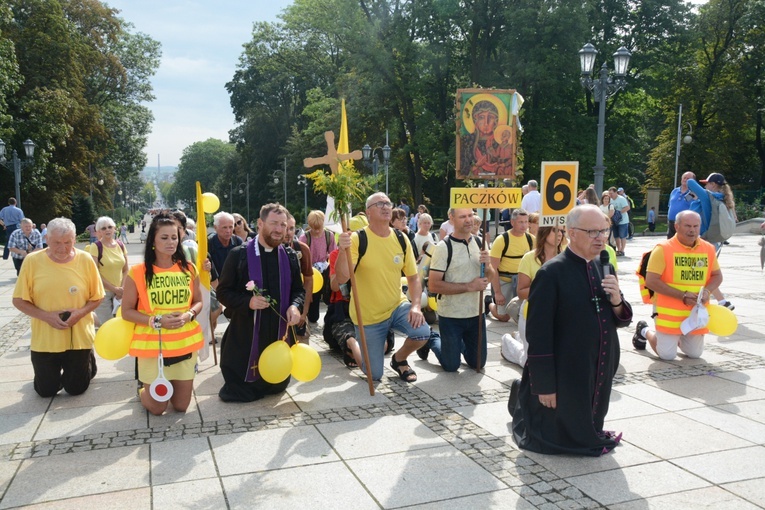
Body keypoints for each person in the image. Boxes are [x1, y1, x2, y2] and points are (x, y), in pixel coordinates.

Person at [510, 204, 633, 456]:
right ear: (571, 232)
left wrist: (617, 301)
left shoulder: (603, 266)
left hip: (597, 361)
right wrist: (544, 384)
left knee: (590, 413)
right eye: (593, 232)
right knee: (557, 429)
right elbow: (538, 333)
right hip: (564, 365)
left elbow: (620, 317)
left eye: (604, 231)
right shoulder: (551, 273)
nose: (601, 238)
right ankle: (523, 399)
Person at [334, 192, 430, 382]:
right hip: (368, 316)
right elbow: (342, 277)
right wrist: (343, 251)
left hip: (396, 306)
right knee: (375, 375)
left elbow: (413, 278)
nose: (386, 206)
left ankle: (399, 359)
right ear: (368, 212)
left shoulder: (401, 239)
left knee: (422, 333)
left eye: (388, 203)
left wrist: (416, 305)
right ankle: (353, 345)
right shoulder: (356, 239)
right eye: (380, 204)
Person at [216, 203, 305, 402]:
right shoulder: (239, 255)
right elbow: (222, 292)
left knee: (276, 386)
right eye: (274, 223)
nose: (279, 229)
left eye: (283, 225)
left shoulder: (289, 256)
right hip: (246, 335)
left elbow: (298, 290)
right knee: (243, 390)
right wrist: (248, 302)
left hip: (278, 335)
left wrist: (295, 306)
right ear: (260, 223)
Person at [121, 212, 204, 415]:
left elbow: (198, 301)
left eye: (174, 237)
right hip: (153, 347)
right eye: (164, 238)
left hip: (184, 345)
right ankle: (143, 389)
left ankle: (165, 388)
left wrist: (189, 315)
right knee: (158, 408)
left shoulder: (189, 269)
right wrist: (156, 320)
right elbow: (126, 311)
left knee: (181, 406)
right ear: (153, 241)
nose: (170, 242)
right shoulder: (138, 272)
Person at [12, 217, 104, 397]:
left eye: (67, 242)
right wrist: (47, 316)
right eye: (56, 243)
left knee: (76, 389)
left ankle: (88, 361)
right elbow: (18, 300)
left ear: (75, 239)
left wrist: (80, 313)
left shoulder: (85, 260)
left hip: (77, 336)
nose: (62, 248)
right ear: (47, 239)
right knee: (46, 391)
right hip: (45, 338)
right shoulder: (32, 261)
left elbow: (97, 297)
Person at [632, 210, 722, 360]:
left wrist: (707, 291)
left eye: (695, 226)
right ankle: (644, 330)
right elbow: (651, 281)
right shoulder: (663, 249)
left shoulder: (708, 249)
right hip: (669, 312)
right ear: (677, 226)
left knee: (694, 354)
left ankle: (676, 338)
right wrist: (682, 295)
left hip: (695, 312)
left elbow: (717, 276)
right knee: (667, 355)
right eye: (687, 226)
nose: (692, 230)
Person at [420, 208, 493, 371]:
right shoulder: (443, 247)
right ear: (452, 219)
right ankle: (431, 338)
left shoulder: (481, 243)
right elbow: (434, 285)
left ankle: (455, 343)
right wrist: (469, 286)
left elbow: (491, 277)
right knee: (451, 366)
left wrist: (488, 265)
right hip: (452, 315)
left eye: (470, 216)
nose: (469, 220)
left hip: (476, 313)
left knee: (478, 363)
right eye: (462, 217)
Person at [501, 225, 565, 366]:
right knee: (529, 363)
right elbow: (521, 292)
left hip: (560, 314)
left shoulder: (567, 256)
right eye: (555, 230)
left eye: (562, 230)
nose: (559, 234)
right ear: (544, 232)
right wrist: (546, 290)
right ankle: (508, 342)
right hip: (533, 312)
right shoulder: (529, 258)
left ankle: (520, 337)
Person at [687, 173, 736, 309]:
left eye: (707, 183)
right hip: (716, 241)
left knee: (700, 273)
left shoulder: (708, 197)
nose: (705, 186)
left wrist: (699, 191)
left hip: (705, 242)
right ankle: (723, 302)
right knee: (703, 272)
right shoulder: (723, 199)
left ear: (713, 184)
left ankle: (717, 302)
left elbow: (690, 182)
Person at [487, 208, 535, 322]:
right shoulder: (502, 240)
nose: (524, 225)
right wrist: (498, 293)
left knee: (525, 314)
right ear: (512, 223)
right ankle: (489, 303)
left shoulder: (531, 239)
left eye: (526, 222)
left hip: (522, 281)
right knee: (503, 317)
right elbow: (493, 268)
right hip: (505, 280)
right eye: (520, 222)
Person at [87, 217, 128, 327]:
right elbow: (95, 273)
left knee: (121, 324)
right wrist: (114, 288)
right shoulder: (96, 247)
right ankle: (90, 317)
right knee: (107, 325)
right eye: (103, 228)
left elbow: (126, 269)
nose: (107, 230)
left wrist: (122, 289)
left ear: (114, 229)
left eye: (110, 227)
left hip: (120, 293)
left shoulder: (121, 245)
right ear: (99, 231)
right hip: (103, 293)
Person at [207, 212, 243, 334]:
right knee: (214, 313)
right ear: (216, 227)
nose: (228, 230)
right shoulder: (208, 244)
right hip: (214, 284)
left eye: (231, 226)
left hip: (234, 286)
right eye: (224, 227)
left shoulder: (238, 241)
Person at [299, 210, 336, 323]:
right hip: (311, 271)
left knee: (329, 296)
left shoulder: (329, 235)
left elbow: (333, 253)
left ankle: (331, 318)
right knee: (313, 312)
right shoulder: (305, 237)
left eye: (318, 227)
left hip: (325, 270)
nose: (316, 230)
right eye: (314, 228)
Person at [286, 213, 313, 340]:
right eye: (285, 227)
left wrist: (304, 311)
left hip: (298, 303)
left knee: (301, 342)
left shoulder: (302, 249)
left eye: (291, 228)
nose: (288, 232)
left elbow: (308, 280)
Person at [667, 171, 695, 238]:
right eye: (684, 178)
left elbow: (686, 201)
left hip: (684, 223)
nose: (685, 180)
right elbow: (670, 205)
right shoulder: (675, 191)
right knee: (670, 244)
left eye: (688, 178)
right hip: (671, 223)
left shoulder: (693, 193)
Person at [609, 187, 630, 256]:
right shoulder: (611, 200)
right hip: (614, 221)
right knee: (616, 236)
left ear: (615, 192)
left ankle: (622, 250)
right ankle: (619, 249)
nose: (610, 195)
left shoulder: (621, 199)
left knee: (622, 236)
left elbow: (627, 207)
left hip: (623, 220)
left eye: (611, 193)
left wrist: (619, 212)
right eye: (609, 193)